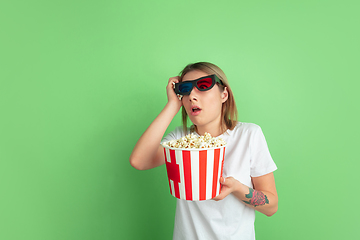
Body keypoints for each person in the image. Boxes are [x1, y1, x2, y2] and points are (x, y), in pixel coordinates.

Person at [129, 62, 278, 240]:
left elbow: (271, 206)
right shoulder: (180, 139)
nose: (192, 96)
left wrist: (236, 188)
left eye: (203, 86)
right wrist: (171, 106)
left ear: (224, 94)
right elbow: (139, 161)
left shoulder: (248, 135)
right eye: (185, 89)